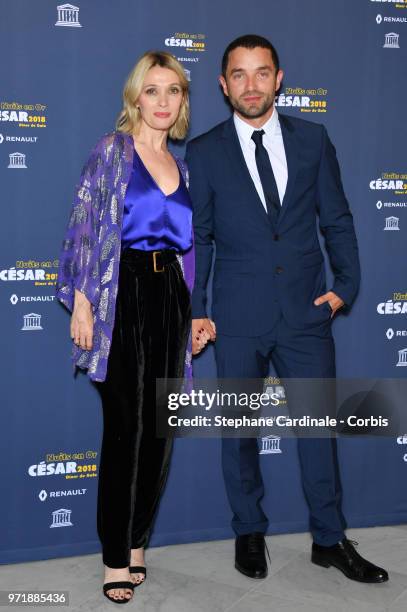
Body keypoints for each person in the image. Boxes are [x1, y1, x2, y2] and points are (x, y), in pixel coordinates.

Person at [186, 35, 389, 584]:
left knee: (318, 430)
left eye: (261, 73)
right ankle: (248, 533)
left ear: (279, 79)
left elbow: (337, 219)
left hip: (306, 313)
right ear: (224, 84)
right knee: (238, 432)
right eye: (239, 75)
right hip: (237, 315)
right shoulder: (204, 152)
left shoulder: (313, 140)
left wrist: (345, 284)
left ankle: (329, 539)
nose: (250, 85)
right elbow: (199, 237)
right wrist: (197, 309)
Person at [56, 51, 206, 604]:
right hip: (121, 294)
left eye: (174, 91)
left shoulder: (184, 167)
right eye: (153, 90)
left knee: (160, 430)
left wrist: (193, 315)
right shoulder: (111, 152)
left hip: (172, 296)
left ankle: (138, 541)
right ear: (135, 97)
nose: (163, 101)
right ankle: (114, 557)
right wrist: (81, 302)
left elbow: (191, 252)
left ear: (183, 101)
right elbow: (83, 226)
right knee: (124, 430)